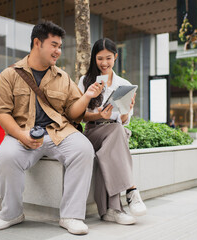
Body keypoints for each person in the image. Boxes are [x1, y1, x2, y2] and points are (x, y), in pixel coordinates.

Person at [0, 21, 104, 235]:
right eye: (54, 45)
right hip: (22, 132)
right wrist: (21, 135)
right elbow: (1, 113)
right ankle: (11, 214)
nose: (58, 51)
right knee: (6, 156)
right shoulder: (9, 75)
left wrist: (87, 96)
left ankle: (72, 216)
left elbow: (73, 112)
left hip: (58, 132)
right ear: (37, 43)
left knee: (83, 149)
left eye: (60, 46)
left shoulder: (63, 77)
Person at [78, 38, 147, 225]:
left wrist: (126, 110)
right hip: (93, 132)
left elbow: (124, 120)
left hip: (114, 132)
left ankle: (110, 211)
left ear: (115, 57)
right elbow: (80, 116)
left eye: (108, 58)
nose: (104, 63)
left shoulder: (123, 84)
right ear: (94, 58)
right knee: (117, 133)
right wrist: (98, 114)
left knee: (116, 132)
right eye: (100, 58)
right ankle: (131, 190)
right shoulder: (85, 81)